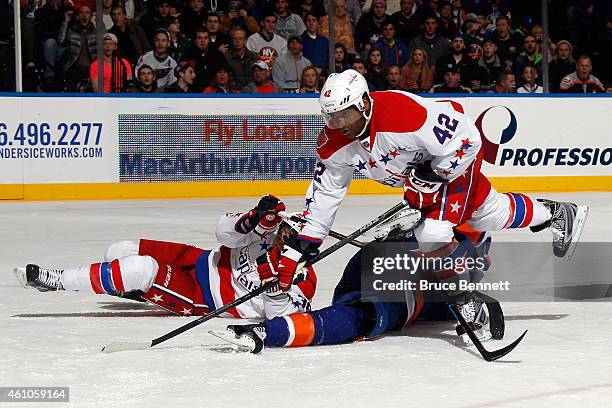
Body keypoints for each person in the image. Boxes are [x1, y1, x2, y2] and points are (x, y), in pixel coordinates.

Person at [268, 69, 588, 334]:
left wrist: (433, 176)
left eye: (345, 115)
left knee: (432, 233)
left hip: (452, 159)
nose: (338, 124)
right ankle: (557, 213)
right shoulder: (333, 142)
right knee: (488, 213)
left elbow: (468, 140)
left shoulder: (402, 115)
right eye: (331, 117)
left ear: (365, 103)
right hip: (425, 175)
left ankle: (465, 301)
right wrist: (303, 246)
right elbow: (326, 194)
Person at [14, 196, 317, 320]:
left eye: (292, 237)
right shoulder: (267, 230)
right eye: (287, 229)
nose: (283, 236)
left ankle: (56, 281)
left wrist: (275, 288)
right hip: (199, 259)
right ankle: (134, 287)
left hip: (204, 295)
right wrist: (250, 219)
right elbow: (223, 233)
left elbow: (286, 317)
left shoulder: (304, 278)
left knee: (140, 268)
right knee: (118, 251)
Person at [216, 229, 501, 353]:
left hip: (376, 282)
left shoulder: (457, 285)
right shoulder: (456, 260)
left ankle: (269, 328)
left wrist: (474, 311)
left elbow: (476, 309)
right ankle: (268, 331)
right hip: (385, 282)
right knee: (356, 319)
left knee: (356, 315)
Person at [57, 5, 98, 91]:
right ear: (77, 16)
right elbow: (61, 41)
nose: (84, 15)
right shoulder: (72, 30)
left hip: (92, 68)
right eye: (81, 13)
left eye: (87, 13)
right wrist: (66, 21)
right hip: (74, 67)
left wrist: (98, 22)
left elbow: (105, 42)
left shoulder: (96, 32)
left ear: (91, 16)